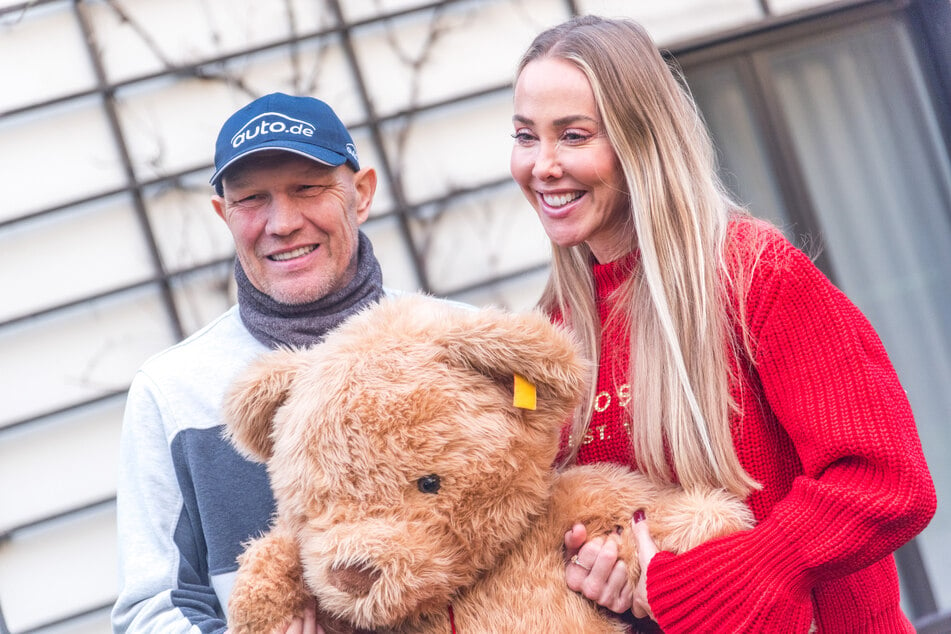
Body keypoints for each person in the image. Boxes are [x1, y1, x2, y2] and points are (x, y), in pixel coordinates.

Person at [509, 15, 936, 633]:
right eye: (526, 136)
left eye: (573, 135)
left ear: (640, 141)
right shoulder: (551, 334)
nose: (542, 165)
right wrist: (596, 571)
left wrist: (750, 571)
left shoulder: (754, 276)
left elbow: (887, 480)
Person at [112, 92, 388, 634]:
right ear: (224, 215)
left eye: (307, 188)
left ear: (361, 194)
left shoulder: (457, 338)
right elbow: (150, 609)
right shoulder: (172, 393)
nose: (282, 222)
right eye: (252, 199)